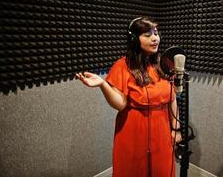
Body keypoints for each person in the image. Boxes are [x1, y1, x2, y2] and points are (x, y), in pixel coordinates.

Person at [76, 16, 182, 177]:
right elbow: (121, 104)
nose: (155, 38)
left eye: (156, 33)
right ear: (134, 40)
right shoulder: (122, 66)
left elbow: (172, 99)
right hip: (132, 131)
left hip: (162, 129)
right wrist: (103, 84)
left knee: (162, 170)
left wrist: (176, 129)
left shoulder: (165, 64)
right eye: (147, 35)